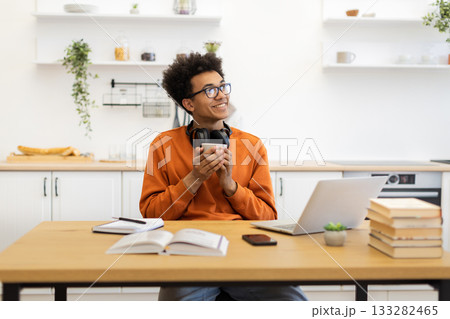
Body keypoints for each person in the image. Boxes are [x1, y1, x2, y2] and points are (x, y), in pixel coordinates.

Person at [140, 52, 307, 301]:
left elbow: (268, 216)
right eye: (209, 90)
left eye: (222, 86)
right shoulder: (163, 144)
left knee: (293, 302)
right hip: (188, 249)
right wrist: (194, 178)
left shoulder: (252, 145)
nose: (221, 95)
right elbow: (152, 215)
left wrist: (230, 186)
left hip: (245, 249)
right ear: (189, 104)